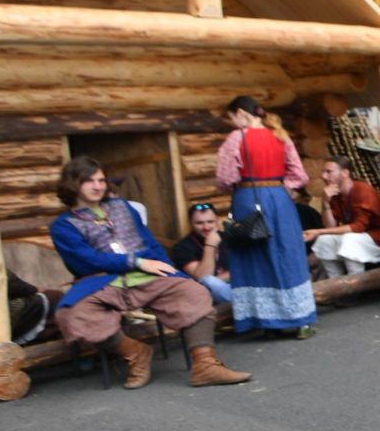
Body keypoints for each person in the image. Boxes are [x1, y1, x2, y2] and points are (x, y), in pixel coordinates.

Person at [50, 157, 250, 388]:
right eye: (89, 181)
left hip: (149, 276)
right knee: (71, 314)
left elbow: (150, 243)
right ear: (73, 184)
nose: (98, 186)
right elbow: (87, 260)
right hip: (103, 281)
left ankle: (205, 365)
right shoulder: (64, 225)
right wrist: (136, 262)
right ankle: (135, 353)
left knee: (194, 291)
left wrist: (172, 270)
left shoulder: (122, 207)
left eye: (101, 180)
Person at [217, 95, 318, 337]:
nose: (233, 123)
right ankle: (302, 319)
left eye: (232, 118)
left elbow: (225, 178)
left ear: (241, 113)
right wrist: (281, 189)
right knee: (287, 252)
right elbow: (299, 175)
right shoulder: (280, 135)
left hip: (248, 199)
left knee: (253, 253)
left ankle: (266, 321)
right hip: (279, 199)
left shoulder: (235, 139)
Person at [304, 155, 380, 280]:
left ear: (345, 173)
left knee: (349, 239)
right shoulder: (334, 193)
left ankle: (356, 285)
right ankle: (335, 285)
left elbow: (358, 227)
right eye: (323, 172)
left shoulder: (362, 190)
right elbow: (330, 227)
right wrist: (325, 203)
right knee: (325, 241)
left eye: (329, 172)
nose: (324, 176)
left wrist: (318, 231)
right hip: (359, 237)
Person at [170, 202, 234, 303]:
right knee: (210, 282)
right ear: (190, 223)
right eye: (199, 223)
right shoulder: (182, 248)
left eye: (210, 222)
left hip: (235, 286)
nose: (206, 227)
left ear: (217, 221)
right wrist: (210, 245)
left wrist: (221, 278)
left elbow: (244, 268)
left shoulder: (228, 237)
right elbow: (203, 277)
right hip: (206, 296)